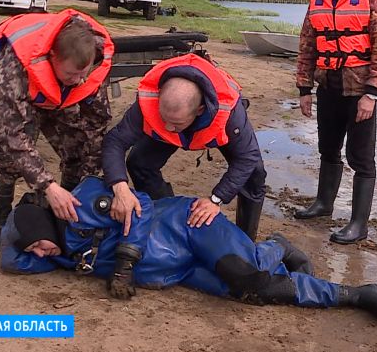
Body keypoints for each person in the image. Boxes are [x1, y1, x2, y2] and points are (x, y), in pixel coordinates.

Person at [0, 176, 377, 322]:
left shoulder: (85, 202)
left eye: (36, 244)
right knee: (255, 292)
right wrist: (15, 231)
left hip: (189, 226)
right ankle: (357, 295)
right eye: (32, 249)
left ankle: (277, 247)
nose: (37, 254)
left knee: (248, 273)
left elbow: (142, 205)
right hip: (176, 271)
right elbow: (11, 261)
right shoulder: (59, 253)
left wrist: (125, 261)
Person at [0, 9, 114, 249]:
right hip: (4, 69)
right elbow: (12, 134)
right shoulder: (15, 67)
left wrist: (90, 180)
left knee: (78, 143)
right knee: (13, 154)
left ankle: (69, 210)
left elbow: (97, 123)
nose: (80, 81)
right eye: (72, 74)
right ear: (52, 57)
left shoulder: (93, 58)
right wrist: (47, 186)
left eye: (84, 74)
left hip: (51, 82)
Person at [294, 0, 377, 245]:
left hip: (360, 92)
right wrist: (304, 88)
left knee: (361, 158)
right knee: (328, 148)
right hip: (329, 87)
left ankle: (358, 224)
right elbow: (307, 45)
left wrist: (372, 93)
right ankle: (324, 204)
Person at [102, 53, 267, 241]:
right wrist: (119, 186)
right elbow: (115, 140)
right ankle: (165, 218)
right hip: (178, 120)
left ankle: (246, 240)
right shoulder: (149, 101)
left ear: (200, 111)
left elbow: (247, 157)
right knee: (139, 163)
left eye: (176, 123)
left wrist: (216, 199)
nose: (169, 128)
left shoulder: (229, 111)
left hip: (213, 127)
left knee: (254, 174)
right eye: (165, 119)